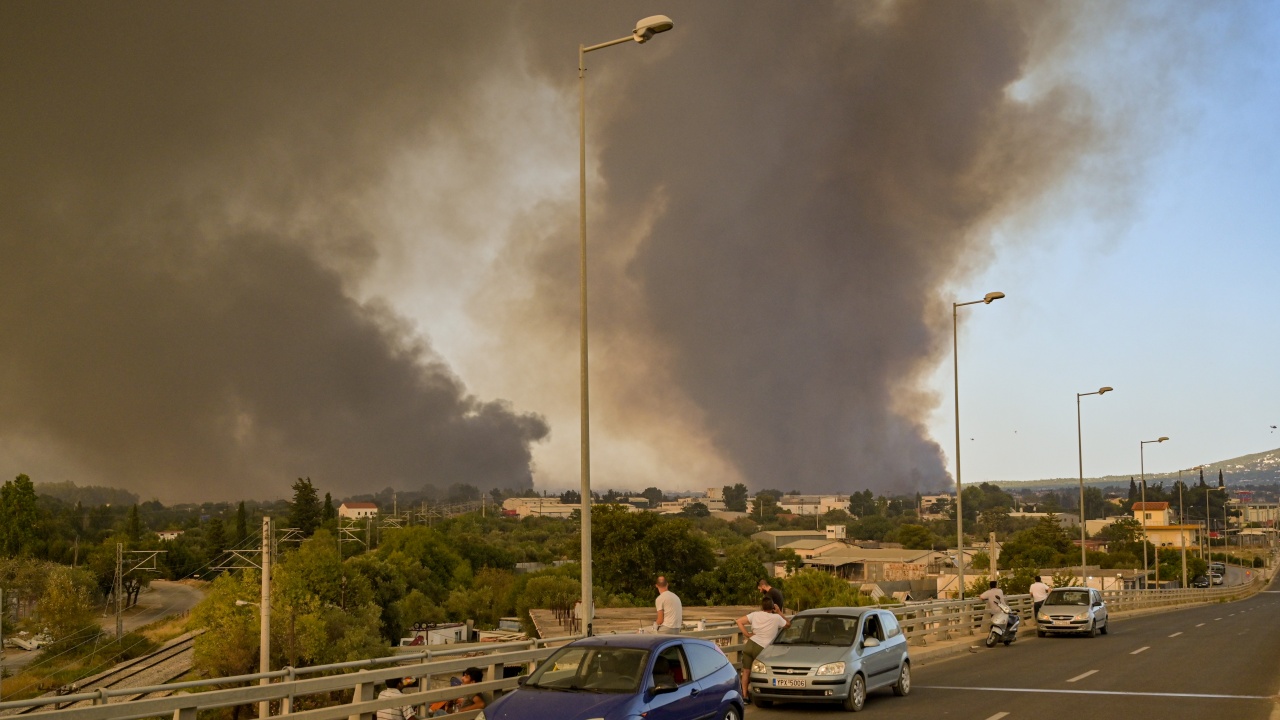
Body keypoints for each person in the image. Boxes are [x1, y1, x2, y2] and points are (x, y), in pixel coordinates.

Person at [734, 596, 791, 703]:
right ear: (772, 607)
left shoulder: (755, 615)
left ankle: (744, 696)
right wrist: (779, 612)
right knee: (763, 672)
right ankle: (763, 694)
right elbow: (788, 624)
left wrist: (747, 635)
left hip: (750, 644)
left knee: (746, 671)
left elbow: (739, 621)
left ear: (762, 606)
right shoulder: (776, 618)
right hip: (762, 648)